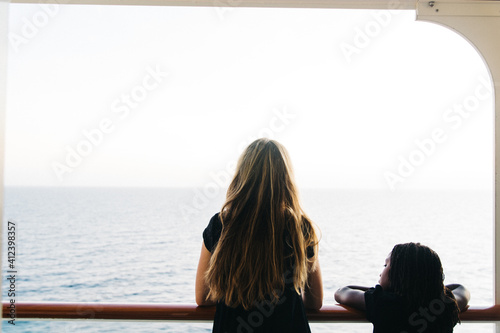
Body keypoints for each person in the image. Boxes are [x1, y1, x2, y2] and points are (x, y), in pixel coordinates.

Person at [195, 138, 323, 333]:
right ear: (286, 178)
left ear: (243, 175)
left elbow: (203, 297)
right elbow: (315, 302)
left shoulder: (221, 225)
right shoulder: (300, 228)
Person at [334, 242, 470, 333]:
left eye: (386, 265)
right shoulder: (445, 304)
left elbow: (342, 293)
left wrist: (376, 291)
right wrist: (432, 287)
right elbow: (461, 290)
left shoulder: (382, 302)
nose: (381, 271)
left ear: (398, 275)